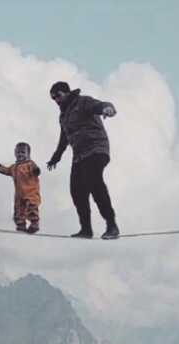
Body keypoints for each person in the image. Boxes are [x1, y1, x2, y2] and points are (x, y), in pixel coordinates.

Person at [46, 81, 119, 239]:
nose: (56, 101)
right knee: (77, 190)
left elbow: (99, 106)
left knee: (94, 182)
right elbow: (64, 139)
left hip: (96, 149)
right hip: (79, 155)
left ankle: (112, 226)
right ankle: (86, 230)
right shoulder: (63, 116)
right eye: (53, 99)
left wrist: (108, 108)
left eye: (58, 96)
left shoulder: (83, 101)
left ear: (66, 92)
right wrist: (55, 158)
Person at [0, 142, 41, 234]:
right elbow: (6, 171)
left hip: (31, 192)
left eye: (23, 152)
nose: (20, 154)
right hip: (19, 195)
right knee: (19, 210)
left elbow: (36, 169)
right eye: (18, 152)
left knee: (31, 208)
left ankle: (34, 224)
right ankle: (21, 225)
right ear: (15, 153)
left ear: (28, 154)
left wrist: (36, 171)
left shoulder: (30, 164)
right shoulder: (14, 167)